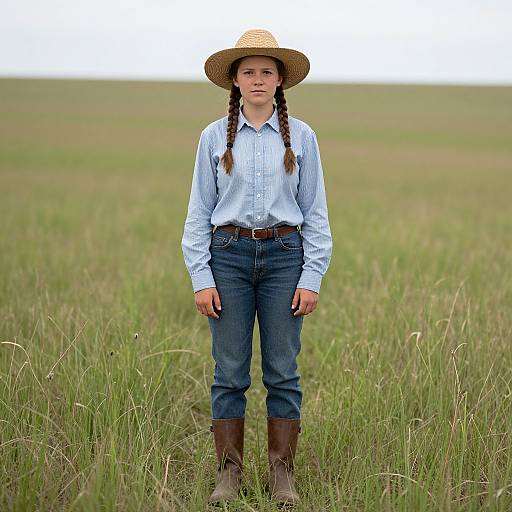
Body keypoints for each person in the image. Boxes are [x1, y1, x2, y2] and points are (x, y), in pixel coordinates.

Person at [181, 28, 332, 507]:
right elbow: (198, 214)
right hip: (227, 256)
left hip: (286, 259)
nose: (259, 79)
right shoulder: (212, 137)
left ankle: (282, 476)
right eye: (249, 71)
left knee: (283, 372)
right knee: (229, 372)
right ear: (235, 81)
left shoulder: (302, 136)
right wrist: (201, 276)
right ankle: (229, 475)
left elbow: (317, 215)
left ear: (280, 80)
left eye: (267, 71)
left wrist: (312, 276)